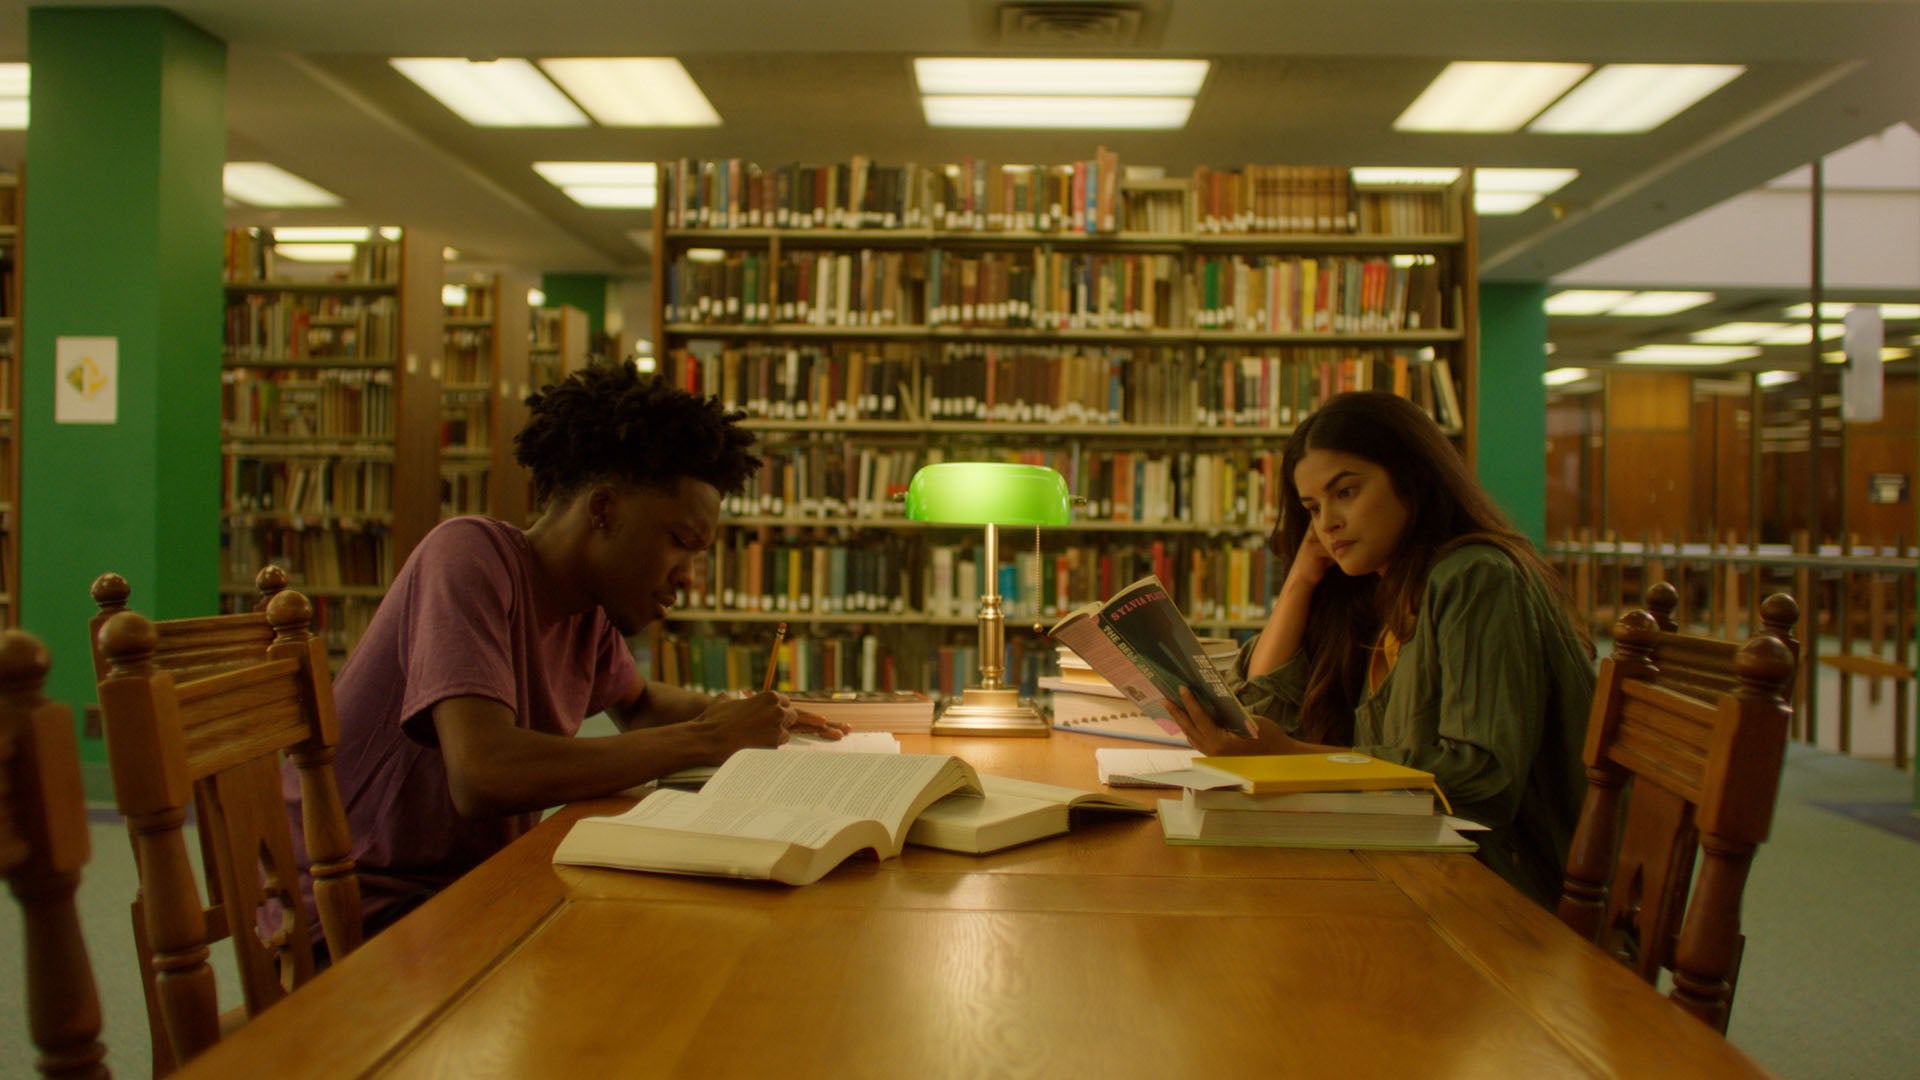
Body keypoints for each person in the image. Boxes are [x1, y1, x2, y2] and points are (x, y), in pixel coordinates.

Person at [286, 362, 844, 942]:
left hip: (476, 889)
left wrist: (750, 715)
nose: (690, 577)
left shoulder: (585, 608)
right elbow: (484, 773)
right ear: (603, 510)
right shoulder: (467, 558)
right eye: (681, 543)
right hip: (368, 914)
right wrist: (709, 739)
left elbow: (642, 702)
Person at [1164, 391, 1594, 907]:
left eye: (1346, 492)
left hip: (1504, 897)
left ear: (1411, 480)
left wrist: (1293, 757)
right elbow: (1259, 715)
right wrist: (1301, 579)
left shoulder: (1477, 578)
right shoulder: (1378, 596)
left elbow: (1482, 780)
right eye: (1312, 509)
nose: (1327, 523)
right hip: (1409, 870)